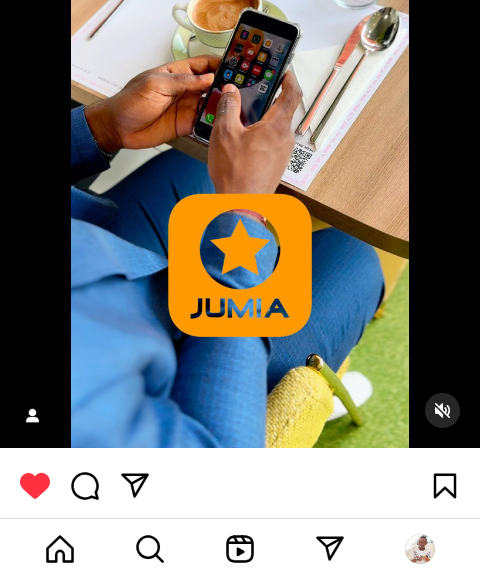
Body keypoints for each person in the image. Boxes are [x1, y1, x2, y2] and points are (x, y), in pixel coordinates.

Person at [71, 56, 383, 447]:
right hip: (181, 380)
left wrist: (100, 127)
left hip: (94, 256)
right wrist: (244, 209)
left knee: (193, 164)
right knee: (350, 255)